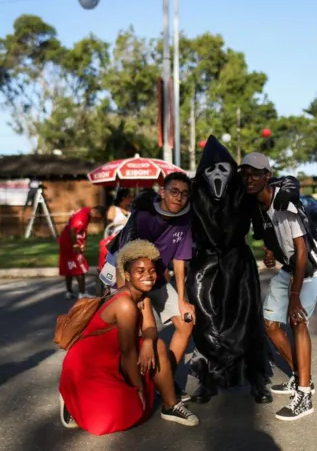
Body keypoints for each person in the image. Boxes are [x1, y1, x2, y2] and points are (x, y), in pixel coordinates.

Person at [59, 240, 200, 435]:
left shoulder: (143, 297)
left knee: (157, 345)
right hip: (88, 365)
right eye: (140, 271)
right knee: (109, 421)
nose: (148, 276)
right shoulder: (125, 305)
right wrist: (139, 389)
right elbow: (128, 353)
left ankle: (171, 405)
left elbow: (150, 327)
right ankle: (71, 397)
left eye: (151, 270)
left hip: (114, 360)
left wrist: (149, 341)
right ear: (127, 275)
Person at [242, 152, 317, 421]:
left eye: (256, 174)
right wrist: (271, 251)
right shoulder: (256, 204)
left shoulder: (285, 202)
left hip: (312, 267)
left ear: (267, 176)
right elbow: (270, 233)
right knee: (270, 323)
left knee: (297, 321)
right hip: (292, 266)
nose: (249, 179)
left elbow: (302, 250)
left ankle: (304, 396)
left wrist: (294, 297)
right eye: (245, 174)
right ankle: (301, 376)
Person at [187, 136, 272, 405]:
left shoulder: (242, 193)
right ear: (203, 172)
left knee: (247, 320)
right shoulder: (193, 192)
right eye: (211, 169)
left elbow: (262, 225)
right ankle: (208, 378)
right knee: (206, 322)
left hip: (238, 264)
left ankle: (257, 378)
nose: (217, 174)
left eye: (223, 168)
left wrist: (272, 248)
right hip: (204, 266)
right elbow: (169, 211)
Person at [106, 172, 195, 402]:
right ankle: (123, 384)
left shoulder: (185, 218)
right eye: (174, 191)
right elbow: (126, 257)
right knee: (131, 335)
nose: (179, 198)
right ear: (163, 192)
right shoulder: (144, 214)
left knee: (187, 323)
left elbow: (180, 260)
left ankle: (164, 378)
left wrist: (183, 299)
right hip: (128, 277)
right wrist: (132, 298)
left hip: (157, 278)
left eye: (184, 194)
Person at [59, 205, 106, 300]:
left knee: (69, 268)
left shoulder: (86, 211)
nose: (95, 221)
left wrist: (83, 243)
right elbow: (73, 230)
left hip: (65, 243)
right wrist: (75, 245)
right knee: (81, 268)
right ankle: (82, 292)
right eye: (97, 219)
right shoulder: (82, 216)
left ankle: (69, 291)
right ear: (95, 212)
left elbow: (80, 231)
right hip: (70, 244)